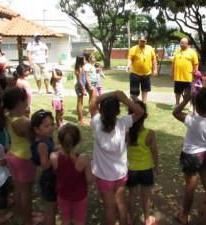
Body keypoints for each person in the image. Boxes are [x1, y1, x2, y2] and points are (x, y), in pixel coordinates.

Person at [89, 90, 144, 225]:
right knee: (120, 203)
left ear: (101, 110)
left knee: (109, 207)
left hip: (103, 175)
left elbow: (93, 101)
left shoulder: (96, 121)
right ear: (118, 112)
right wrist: (124, 99)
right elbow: (140, 112)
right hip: (120, 174)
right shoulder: (123, 123)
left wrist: (111, 94)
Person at [172, 87, 206, 225]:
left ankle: (184, 215)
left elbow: (175, 112)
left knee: (190, 187)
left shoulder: (191, 120)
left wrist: (185, 100)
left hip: (191, 157)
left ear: (196, 107)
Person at [2, 87, 39, 225]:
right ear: (20, 102)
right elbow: (33, 140)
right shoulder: (23, 122)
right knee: (26, 192)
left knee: (18, 189)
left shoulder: (7, 116)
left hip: (12, 155)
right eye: (26, 100)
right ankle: (28, 220)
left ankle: (21, 214)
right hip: (25, 159)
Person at [50, 124, 93, 225]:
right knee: (80, 221)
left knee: (65, 220)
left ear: (60, 141)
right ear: (79, 140)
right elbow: (90, 180)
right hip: (80, 196)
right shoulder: (84, 159)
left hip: (62, 195)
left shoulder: (53, 157)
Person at [126, 101, 159, 225]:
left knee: (131, 195)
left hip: (131, 170)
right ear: (145, 116)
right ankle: (147, 219)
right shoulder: (150, 134)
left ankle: (130, 218)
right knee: (146, 196)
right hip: (146, 170)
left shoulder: (127, 133)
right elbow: (154, 152)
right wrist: (156, 167)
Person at [30, 110, 57, 225]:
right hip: (48, 179)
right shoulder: (42, 144)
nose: (50, 128)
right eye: (46, 126)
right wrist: (55, 155)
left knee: (53, 206)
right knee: (50, 207)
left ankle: (47, 219)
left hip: (52, 177)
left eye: (52, 124)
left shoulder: (47, 138)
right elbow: (45, 165)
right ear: (36, 129)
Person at [127, 36, 157, 102]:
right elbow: (130, 59)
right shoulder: (133, 48)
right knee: (134, 90)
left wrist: (155, 70)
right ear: (139, 41)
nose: (142, 42)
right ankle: (134, 103)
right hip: (135, 73)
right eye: (141, 41)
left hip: (146, 73)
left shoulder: (150, 48)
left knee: (145, 90)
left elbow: (154, 60)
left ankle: (144, 103)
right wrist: (128, 65)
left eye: (144, 41)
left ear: (146, 41)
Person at [171, 37, 199, 107]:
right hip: (178, 77)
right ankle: (177, 104)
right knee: (177, 92)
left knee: (189, 93)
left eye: (183, 43)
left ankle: (191, 106)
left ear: (187, 44)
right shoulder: (176, 52)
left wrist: (195, 75)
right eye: (181, 42)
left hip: (188, 77)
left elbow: (196, 64)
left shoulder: (192, 52)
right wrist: (172, 73)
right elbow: (173, 63)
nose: (182, 44)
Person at [74, 56, 88, 124]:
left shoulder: (81, 68)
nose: (85, 60)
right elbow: (79, 80)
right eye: (84, 59)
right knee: (80, 103)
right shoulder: (79, 68)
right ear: (81, 61)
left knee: (81, 103)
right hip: (79, 87)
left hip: (81, 86)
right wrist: (83, 89)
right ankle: (80, 119)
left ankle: (81, 118)